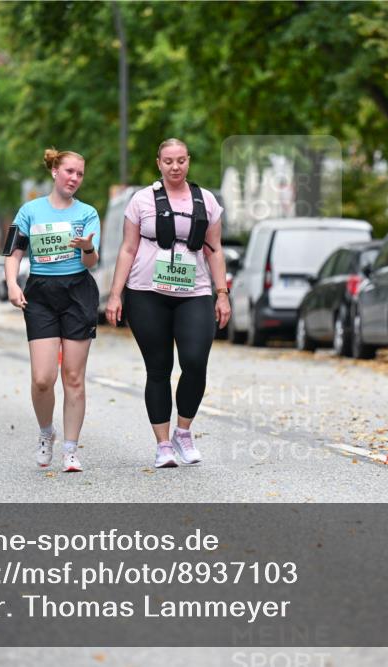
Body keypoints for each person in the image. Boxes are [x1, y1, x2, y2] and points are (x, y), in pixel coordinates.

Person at [105, 138, 230, 469]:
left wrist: (222, 294)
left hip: (195, 292)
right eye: (168, 161)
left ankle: (183, 431)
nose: (175, 167)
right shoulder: (142, 200)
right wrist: (116, 293)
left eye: (181, 161)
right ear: (158, 164)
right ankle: (163, 444)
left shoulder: (207, 201)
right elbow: (128, 248)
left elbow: (214, 249)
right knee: (158, 368)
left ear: (189, 162)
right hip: (146, 293)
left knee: (194, 361)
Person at [3, 148, 100, 473]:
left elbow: (91, 261)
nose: (75, 178)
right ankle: (47, 433)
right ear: (55, 172)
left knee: (73, 377)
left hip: (77, 292)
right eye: (70, 171)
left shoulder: (87, 213)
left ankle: (71, 450)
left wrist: (86, 248)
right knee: (43, 378)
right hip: (41, 293)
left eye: (80, 174)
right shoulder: (30, 211)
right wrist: (12, 284)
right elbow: (13, 253)